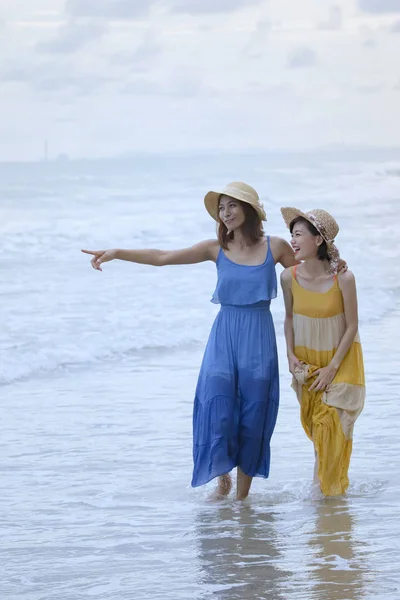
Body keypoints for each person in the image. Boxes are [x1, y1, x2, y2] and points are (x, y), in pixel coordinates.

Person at [81, 182, 298, 501]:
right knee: (217, 405)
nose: (226, 213)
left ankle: (242, 499)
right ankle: (221, 478)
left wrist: (335, 264)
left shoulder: (276, 246)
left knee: (254, 413)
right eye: (221, 208)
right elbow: (163, 256)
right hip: (224, 334)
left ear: (249, 209)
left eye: (232, 206)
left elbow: (310, 277)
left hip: (259, 337)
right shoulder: (215, 248)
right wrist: (117, 253)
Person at [280, 207, 365, 497]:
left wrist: (332, 368)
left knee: (329, 420)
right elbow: (289, 318)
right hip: (306, 362)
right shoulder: (288, 277)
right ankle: (325, 490)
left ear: (318, 240)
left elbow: (352, 326)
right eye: (291, 234)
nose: (292, 240)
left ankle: (328, 495)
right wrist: (290, 357)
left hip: (342, 361)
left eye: (299, 234)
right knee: (318, 428)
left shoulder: (344, 278)